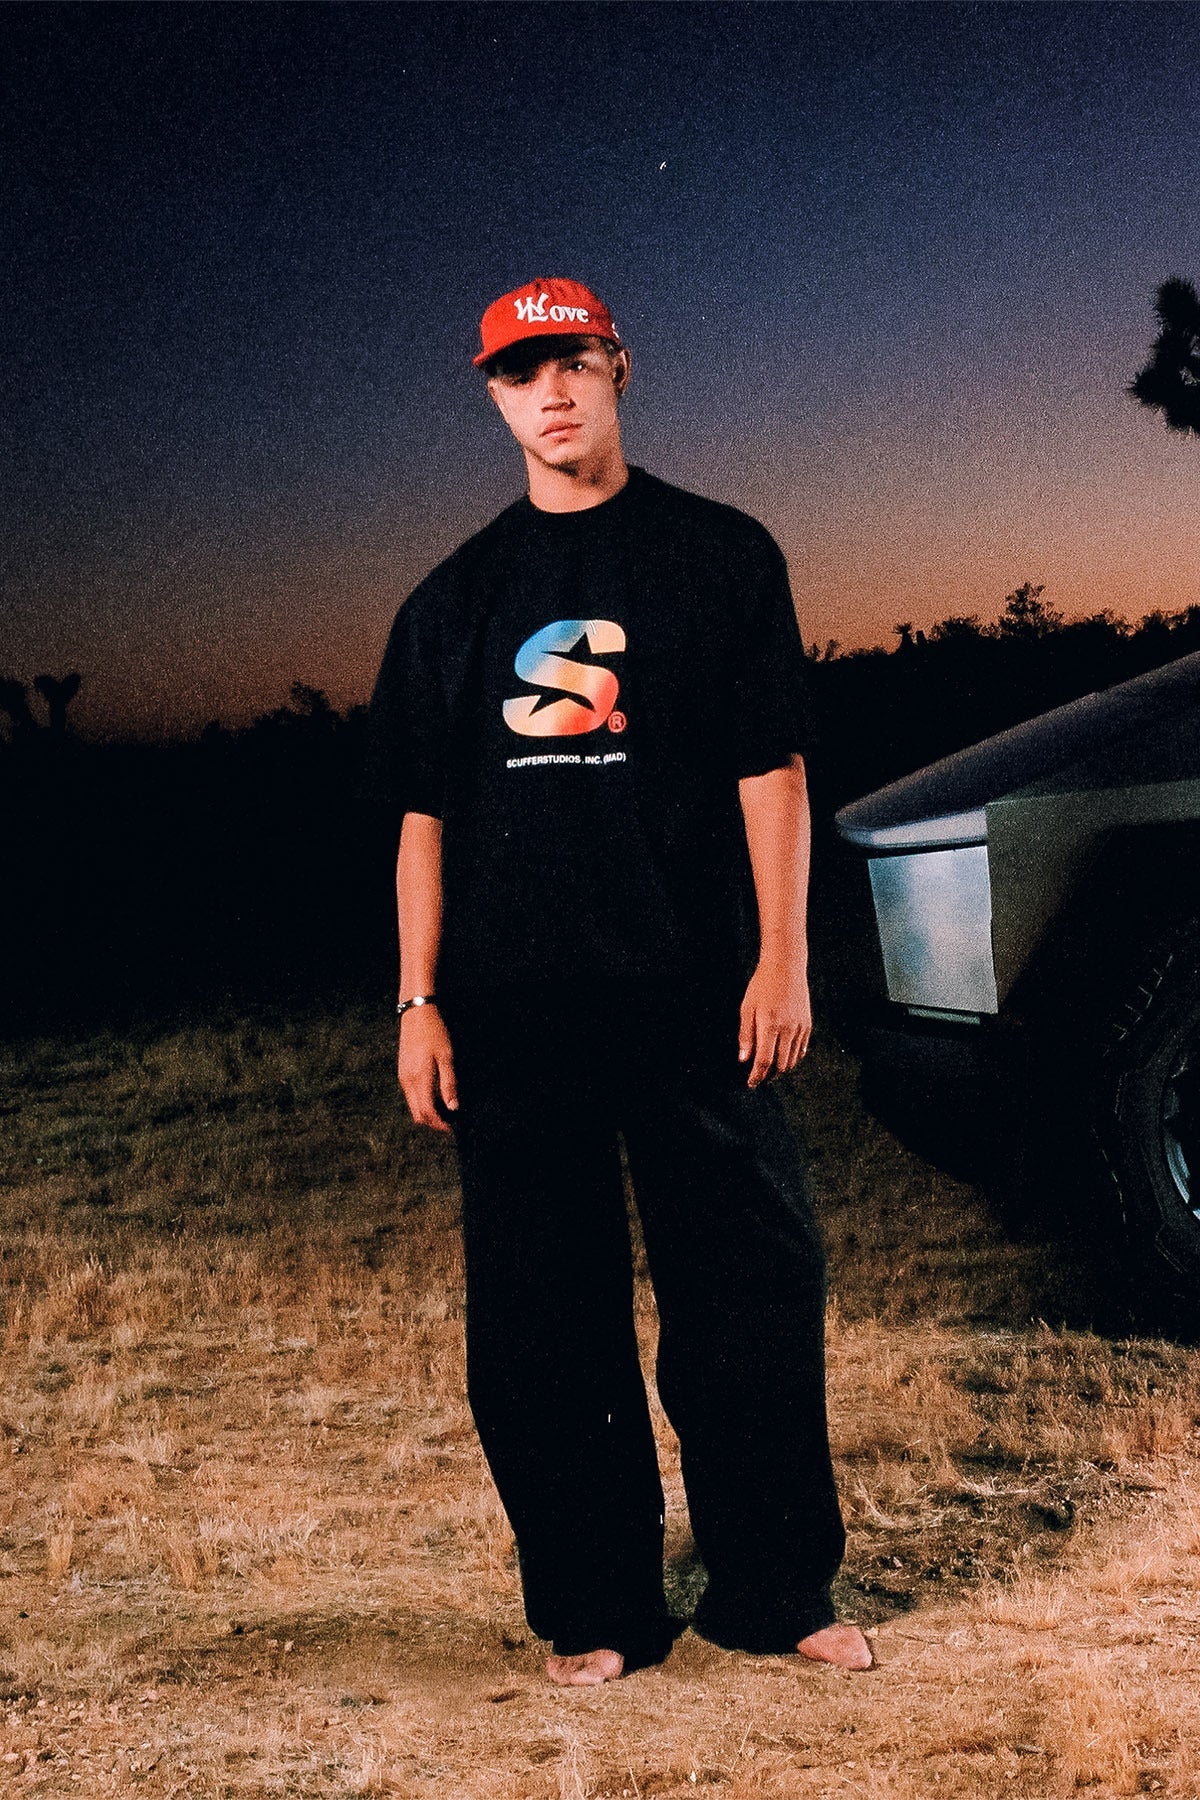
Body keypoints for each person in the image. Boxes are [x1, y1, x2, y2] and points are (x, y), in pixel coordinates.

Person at [364, 277, 873, 1685]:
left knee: (753, 1289)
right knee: (543, 1319)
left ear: (620, 369)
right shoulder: (454, 602)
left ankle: (774, 1591)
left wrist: (785, 959)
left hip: (698, 994)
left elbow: (771, 767)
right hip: (518, 1015)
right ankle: (598, 1609)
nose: (554, 393)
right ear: (492, 396)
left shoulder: (718, 555)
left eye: (575, 362)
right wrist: (417, 999)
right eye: (523, 373)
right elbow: (421, 820)